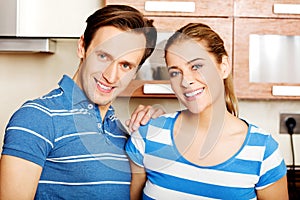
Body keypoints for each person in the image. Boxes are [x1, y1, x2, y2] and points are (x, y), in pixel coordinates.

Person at [0, 5, 161, 199]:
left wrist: (144, 137)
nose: (110, 76)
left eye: (125, 65)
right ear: (82, 47)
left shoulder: (121, 133)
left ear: (135, 72)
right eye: (102, 56)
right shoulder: (37, 118)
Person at [125, 23, 289, 200]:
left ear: (223, 66)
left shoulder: (263, 151)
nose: (186, 81)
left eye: (196, 66)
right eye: (175, 73)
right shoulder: (148, 136)